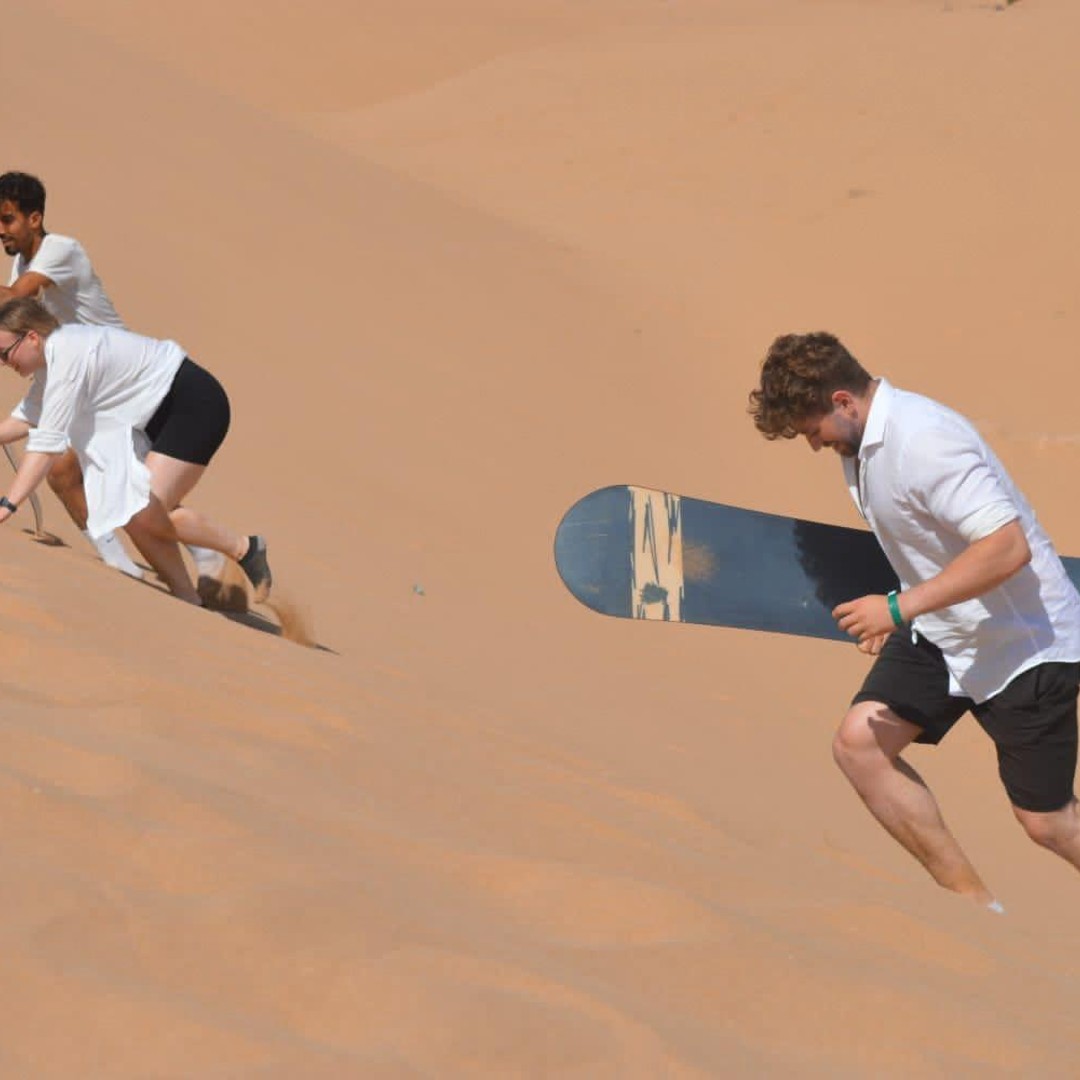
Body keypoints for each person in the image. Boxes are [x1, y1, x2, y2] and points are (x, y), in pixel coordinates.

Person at [748, 331, 1080, 912]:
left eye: (812, 430)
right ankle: (977, 912)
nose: (813, 445)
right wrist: (902, 605)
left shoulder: (925, 441)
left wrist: (899, 608)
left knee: (1047, 823)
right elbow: (933, 540)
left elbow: (1007, 549)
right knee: (859, 746)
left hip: (1025, 648)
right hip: (945, 631)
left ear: (843, 402)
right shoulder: (862, 448)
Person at [0, 171, 222, 585]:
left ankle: (206, 551)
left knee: (122, 485)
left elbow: (16, 300)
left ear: (35, 218)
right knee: (75, 475)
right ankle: (120, 564)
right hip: (74, 376)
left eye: (8, 218)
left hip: (119, 380)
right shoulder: (23, 262)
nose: (1, 230)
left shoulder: (60, 249)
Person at [0, 297, 271, 606]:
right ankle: (187, 600)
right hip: (154, 417)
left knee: (140, 507)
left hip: (192, 403)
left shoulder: (68, 353)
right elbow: (26, 418)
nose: (4, 363)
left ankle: (243, 548)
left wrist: (8, 505)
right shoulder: (51, 366)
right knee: (132, 510)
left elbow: (46, 445)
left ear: (32, 337)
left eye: (4, 353)